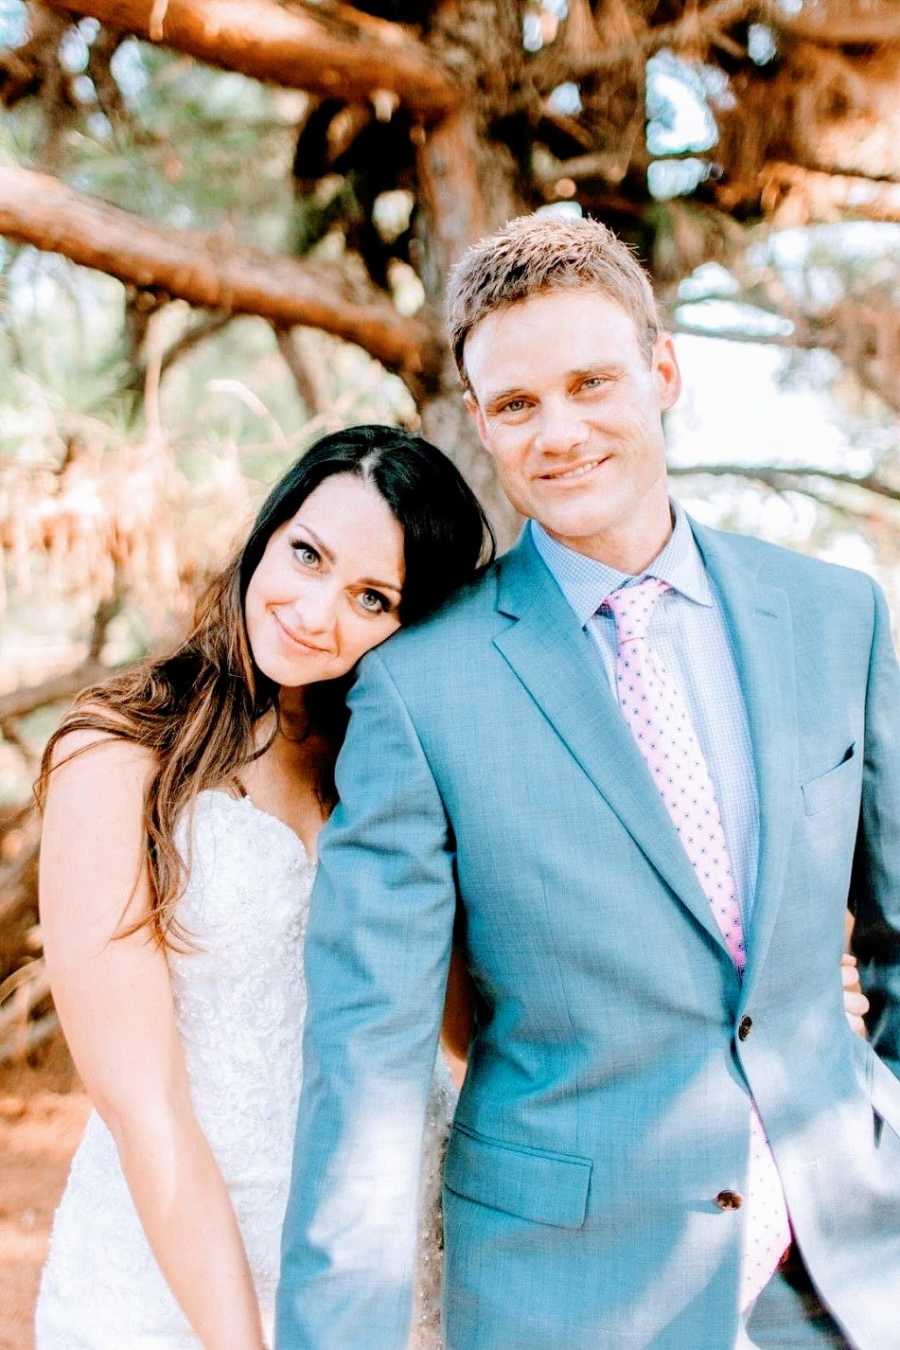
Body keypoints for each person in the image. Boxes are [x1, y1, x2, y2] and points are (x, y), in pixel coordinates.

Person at [277, 215, 900, 1349]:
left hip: (850, 1281)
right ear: (479, 420)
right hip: (567, 1298)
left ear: (662, 371)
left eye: (591, 382)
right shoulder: (419, 691)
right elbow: (365, 1070)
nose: (557, 432)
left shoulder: (837, 614)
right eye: (516, 404)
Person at [33, 426, 494, 1349]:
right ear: (269, 529)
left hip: (392, 1253)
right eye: (307, 554)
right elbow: (143, 1106)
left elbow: (463, 1027)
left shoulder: (388, 763)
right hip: (180, 1264)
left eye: (372, 597)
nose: (315, 612)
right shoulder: (121, 753)